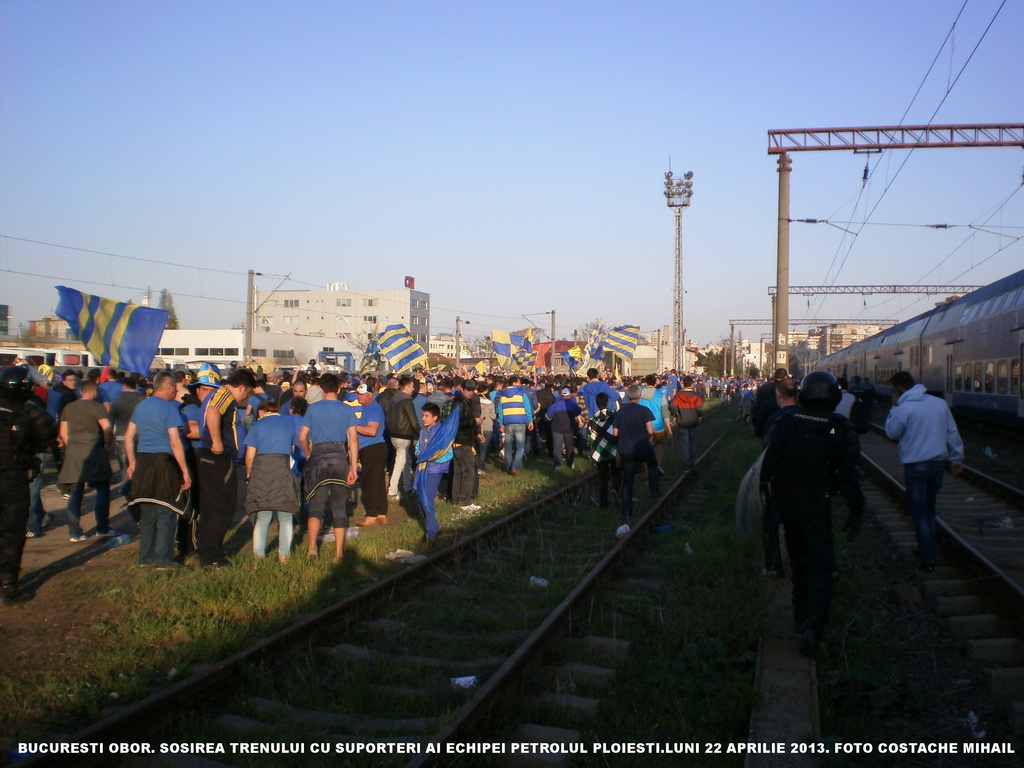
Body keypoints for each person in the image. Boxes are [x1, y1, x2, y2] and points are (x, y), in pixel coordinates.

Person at [762, 371, 865, 658]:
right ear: (833, 395)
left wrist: (768, 503)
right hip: (818, 504)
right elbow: (848, 474)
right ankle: (813, 622)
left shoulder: (787, 422)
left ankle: (799, 612)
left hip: (788, 502)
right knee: (821, 562)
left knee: (797, 557)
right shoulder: (839, 427)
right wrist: (856, 507)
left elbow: (768, 464)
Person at [885, 371, 964, 572]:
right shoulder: (939, 404)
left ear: (898, 390)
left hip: (915, 466)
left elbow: (891, 432)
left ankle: (928, 557)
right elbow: (952, 432)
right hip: (937, 464)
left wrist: (893, 409)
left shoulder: (904, 408)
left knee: (919, 512)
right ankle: (925, 547)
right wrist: (957, 459)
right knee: (930, 507)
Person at [0, 366, 57, 603]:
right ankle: (8, 583)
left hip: (14, 475)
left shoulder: (27, 412)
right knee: (12, 531)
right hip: (13, 477)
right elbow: (48, 436)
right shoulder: (28, 412)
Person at [124, 370, 192, 569]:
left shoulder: (141, 406)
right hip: (163, 462)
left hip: (143, 461)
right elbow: (174, 441)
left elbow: (128, 437)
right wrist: (184, 470)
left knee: (147, 513)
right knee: (166, 511)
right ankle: (163, 559)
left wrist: (132, 462)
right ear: (170, 387)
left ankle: (145, 558)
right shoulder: (169, 408)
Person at [196, 368, 255, 568]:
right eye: (247, 393)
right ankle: (211, 557)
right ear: (242, 387)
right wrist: (217, 441)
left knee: (213, 505)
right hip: (217, 458)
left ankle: (208, 549)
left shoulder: (218, 394)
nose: (245, 398)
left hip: (211, 458)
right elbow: (213, 411)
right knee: (222, 507)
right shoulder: (224, 395)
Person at [300, 373, 358, 562]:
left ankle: (312, 548)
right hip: (339, 457)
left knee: (316, 507)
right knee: (339, 507)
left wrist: (309, 454)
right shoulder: (346, 409)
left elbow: (302, 437)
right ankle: (339, 554)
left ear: (321, 389)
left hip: (318, 458)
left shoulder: (312, 409)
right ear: (339, 388)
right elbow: (353, 439)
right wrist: (353, 467)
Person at [58, 379, 117, 541]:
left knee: (75, 493)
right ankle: (102, 527)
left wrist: (72, 445)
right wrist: (107, 443)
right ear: (95, 391)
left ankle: (75, 533)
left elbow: (63, 433)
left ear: (81, 391)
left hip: (74, 453)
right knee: (102, 490)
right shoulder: (97, 407)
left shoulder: (69, 407)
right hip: (94, 451)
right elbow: (107, 427)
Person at [244, 399, 301, 563]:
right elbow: (292, 448)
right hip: (282, 469)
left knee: (263, 517)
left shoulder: (257, 425)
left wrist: (249, 475)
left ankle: (259, 556)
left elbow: (249, 455)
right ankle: (284, 555)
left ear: (262, 411)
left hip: (261, 470)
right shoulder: (288, 423)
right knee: (285, 515)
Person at [612, 384, 660, 523]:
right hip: (642, 446)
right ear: (639, 396)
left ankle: (627, 511)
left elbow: (615, 433)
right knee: (652, 465)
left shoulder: (619, 413)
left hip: (626, 449)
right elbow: (651, 431)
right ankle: (655, 492)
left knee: (628, 481)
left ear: (627, 395)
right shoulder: (645, 410)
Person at [413, 403, 454, 543]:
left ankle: (431, 535)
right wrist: (418, 452)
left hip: (435, 469)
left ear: (435, 417)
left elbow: (447, 453)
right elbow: (418, 446)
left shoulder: (442, 433)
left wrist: (432, 457)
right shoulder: (423, 430)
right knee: (420, 502)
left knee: (427, 500)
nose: (423, 418)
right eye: (423, 415)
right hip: (423, 468)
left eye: (426, 416)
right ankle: (436, 527)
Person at [352, 380, 389, 527]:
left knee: (370, 482)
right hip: (372, 448)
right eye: (357, 394)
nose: (358, 397)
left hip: (373, 448)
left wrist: (353, 426)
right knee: (378, 481)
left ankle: (371, 514)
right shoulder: (368, 409)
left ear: (370, 395)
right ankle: (381, 511)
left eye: (361, 394)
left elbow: (372, 431)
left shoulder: (373, 409)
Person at [449, 380, 481, 511]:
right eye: (468, 390)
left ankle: (456, 499)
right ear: (461, 388)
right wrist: (474, 421)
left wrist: (476, 434)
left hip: (460, 440)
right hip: (463, 441)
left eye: (473, 390)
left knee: (458, 473)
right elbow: (459, 423)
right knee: (468, 472)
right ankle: (465, 502)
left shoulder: (460, 401)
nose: (471, 392)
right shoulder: (460, 403)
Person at [385, 376, 420, 499]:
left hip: (394, 435)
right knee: (400, 462)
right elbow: (413, 420)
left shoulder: (393, 400)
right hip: (404, 435)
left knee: (406, 461)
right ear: (407, 387)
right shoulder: (407, 401)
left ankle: (407, 485)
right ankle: (392, 490)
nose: (413, 389)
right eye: (412, 386)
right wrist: (419, 434)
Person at [495, 374, 534, 476]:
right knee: (520, 445)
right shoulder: (522, 393)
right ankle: (515, 466)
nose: (520, 384)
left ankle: (508, 466)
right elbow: (527, 407)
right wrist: (530, 420)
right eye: (519, 382)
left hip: (507, 422)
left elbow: (500, 411)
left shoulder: (502, 395)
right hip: (520, 421)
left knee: (508, 445)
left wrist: (502, 424)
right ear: (515, 383)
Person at [586, 392, 620, 508]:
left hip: (599, 452)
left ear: (596, 403)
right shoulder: (614, 416)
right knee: (617, 473)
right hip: (614, 449)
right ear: (607, 402)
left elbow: (589, 439)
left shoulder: (592, 419)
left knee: (603, 478)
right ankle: (615, 490)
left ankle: (603, 503)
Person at [671, 375, 704, 472]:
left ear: (683, 384)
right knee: (692, 442)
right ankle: (692, 461)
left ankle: (687, 464)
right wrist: (699, 416)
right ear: (692, 384)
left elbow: (673, 407)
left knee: (685, 443)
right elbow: (699, 409)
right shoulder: (697, 395)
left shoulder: (678, 395)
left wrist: (674, 416)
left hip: (682, 421)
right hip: (693, 421)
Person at [546, 386, 582, 470]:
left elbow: (548, 416)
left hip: (557, 428)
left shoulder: (555, 405)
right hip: (569, 428)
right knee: (569, 446)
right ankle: (570, 463)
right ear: (569, 395)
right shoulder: (572, 404)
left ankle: (557, 464)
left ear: (562, 395)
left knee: (557, 446)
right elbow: (578, 411)